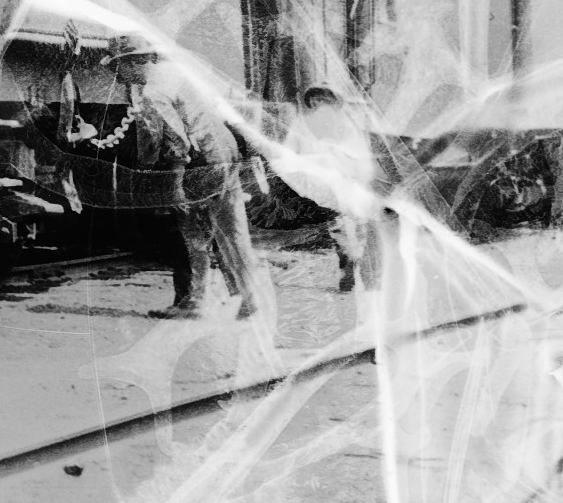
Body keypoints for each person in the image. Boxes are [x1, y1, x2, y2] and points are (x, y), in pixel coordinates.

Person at [105, 37, 262, 319]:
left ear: (132, 63)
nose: (117, 75)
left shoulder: (153, 92)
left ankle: (195, 301)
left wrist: (175, 189)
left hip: (202, 164)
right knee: (233, 230)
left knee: (195, 237)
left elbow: (177, 144)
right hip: (225, 150)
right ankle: (249, 297)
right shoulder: (178, 73)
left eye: (118, 67)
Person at [291, 82, 380, 292]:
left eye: (324, 101)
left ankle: (367, 273)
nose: (319, 106)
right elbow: (295, 152)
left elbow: (358, 154)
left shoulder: (345, 125)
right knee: (339, 227)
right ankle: (347, 267)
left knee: (360, 228)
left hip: (350, 182)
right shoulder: (304, 125)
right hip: (324, 186)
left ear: (334, 104)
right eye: (315, 102)